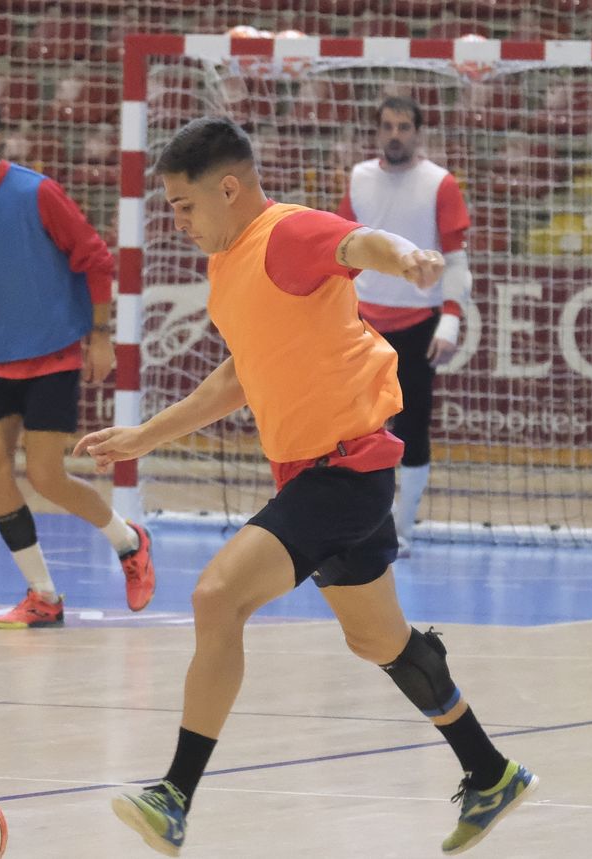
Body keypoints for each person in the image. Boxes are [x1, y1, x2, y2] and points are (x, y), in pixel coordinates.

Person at [78, 117, 534, 856]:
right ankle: (490, 770)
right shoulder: (229, 266)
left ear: (229, 188)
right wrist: (144, 435)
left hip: (343, 470)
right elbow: (238, 375)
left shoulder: (284, 235)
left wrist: (409, 255)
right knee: (379, 639)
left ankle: (174, 794)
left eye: (185, 205)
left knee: (216, 596)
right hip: (326, 471)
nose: (179, 221)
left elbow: (355, 243)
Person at [0, 95, 154, 630]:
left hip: (52, 353)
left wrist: (100, 336)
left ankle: (128, 540)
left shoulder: (36, 192)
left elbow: (94, 257)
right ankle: (43, 594)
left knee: (47, 475)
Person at [337, 96, 472, 556]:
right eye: (388, 126)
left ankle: (403, 528)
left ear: (418, 133)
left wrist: (450, 318)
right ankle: (354, 523)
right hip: (363, 324)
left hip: (418, 324)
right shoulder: (358, 179)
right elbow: (340, 252)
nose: (396, 134)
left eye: (404, 126)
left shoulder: (440, 184)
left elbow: (456, 260)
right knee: (354, 430)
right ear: (377, 131)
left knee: (412, 429)